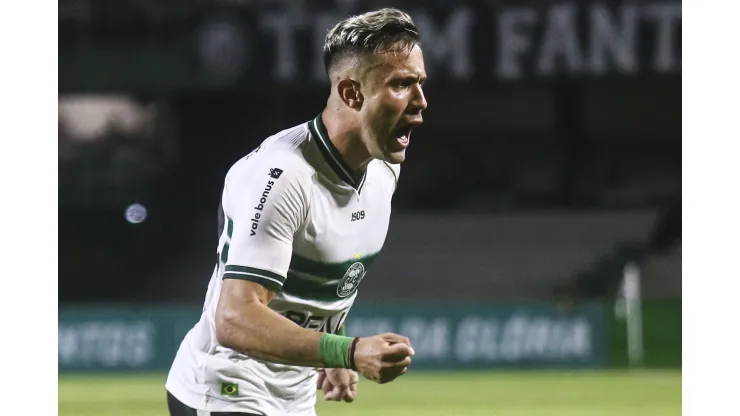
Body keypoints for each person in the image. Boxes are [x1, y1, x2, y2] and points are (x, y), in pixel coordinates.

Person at [165, 7, 428, 416]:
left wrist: (332, 351)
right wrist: (350, 351)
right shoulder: (281, 176)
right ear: (351, 93)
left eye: (420, 84)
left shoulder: (384, 168)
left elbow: (325, 274)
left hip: (294, 397)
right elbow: (234, 318)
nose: (421, 102)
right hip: (225, 388)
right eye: (401, 84)